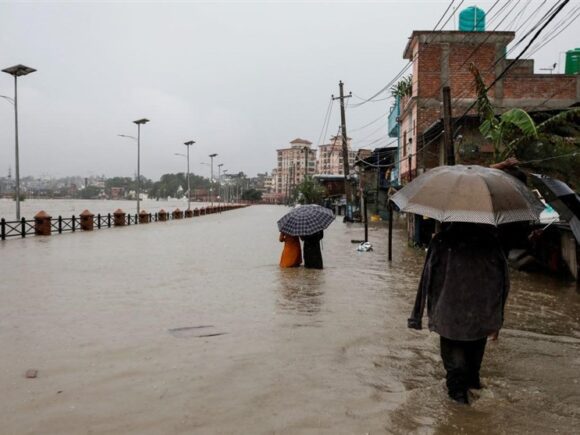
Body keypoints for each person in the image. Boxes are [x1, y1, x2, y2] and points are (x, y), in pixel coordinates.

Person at [408, 222, 510, 405]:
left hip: (449, 319)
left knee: (456, 380)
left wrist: (417, 318)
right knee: (472, 377)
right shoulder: (490, 241)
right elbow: (502, 282)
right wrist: (497, 321)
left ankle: (460, 420)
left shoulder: (441, 241)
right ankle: (475, 424)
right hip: (480, 319)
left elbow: (426, 278)